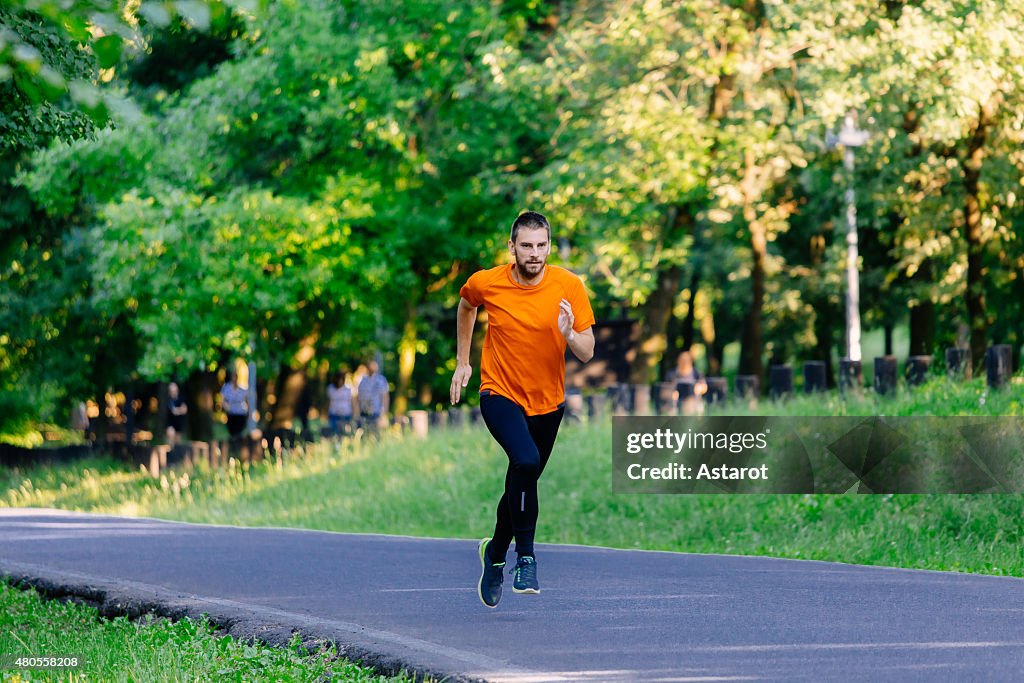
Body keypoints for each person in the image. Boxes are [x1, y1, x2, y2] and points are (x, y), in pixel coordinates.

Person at [451, 210, 595, 608]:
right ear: (511, 246)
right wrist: (463, 361)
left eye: (541, 245)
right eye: (526, 246)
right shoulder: (487, 282)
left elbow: (587, 351)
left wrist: (569, 334)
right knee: (526, 459)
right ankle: (525, 557)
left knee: (523, 473)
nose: (535, 254)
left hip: (548, 402)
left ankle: (495, 553)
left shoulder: (568, 285)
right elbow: (466, 306)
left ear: (549, 245)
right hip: (499, 391)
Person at [666, 350, 707, 415]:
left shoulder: (696, 373)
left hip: (693, 400)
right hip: (675, 402)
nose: (684, 362)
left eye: (686, 360)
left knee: (699, 408)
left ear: (690, 361)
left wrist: (699, 388)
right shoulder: (672, 374)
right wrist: (672, 393)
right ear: (678, 361)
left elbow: (704, 387)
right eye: (682, 360)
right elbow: (665, 389)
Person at [356, 360, 389, 434]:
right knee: (365, 433)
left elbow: (385, 396)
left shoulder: (381, 380)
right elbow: (359, 397)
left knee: (375, 434)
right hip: (364, 412)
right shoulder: (363, 381)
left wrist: (384, 412)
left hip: (376, 412)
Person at [220, 372, 249, 440]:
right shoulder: (226, 388)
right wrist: (225, 407)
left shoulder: (242, 389)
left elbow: (246, 400)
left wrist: (248, 412)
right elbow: (223, 400)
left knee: (239, 430)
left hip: (240, 413)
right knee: (232, 430)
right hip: (231, 412)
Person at [326, 370, 355, 437]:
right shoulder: (330, 388)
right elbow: (328, 402)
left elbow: (353, 402)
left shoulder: (348, 389)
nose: (340, 381)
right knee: (334, 432)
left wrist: (354, 414)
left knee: (345, 433)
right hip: (334, 414)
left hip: (345, 414)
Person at [165, 381, 188, 446]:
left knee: (178, 443)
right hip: (171, 423)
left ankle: (176, 454)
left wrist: (178, 410)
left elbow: (185, 410)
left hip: (179, 423)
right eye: (171, 390)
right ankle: (171, 453)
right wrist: (180, 409)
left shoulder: (181, 398)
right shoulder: (169, 400)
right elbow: (174, 411)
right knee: (171, 437)